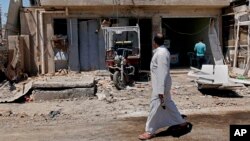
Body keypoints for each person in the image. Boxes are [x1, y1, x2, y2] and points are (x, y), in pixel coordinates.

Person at [138, 33, 189, 140]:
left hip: (160, 86)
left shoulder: (161, 54)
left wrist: (160, 90)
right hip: (161, 84)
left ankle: (149, 131)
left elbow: (162, 72)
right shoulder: (161, 52)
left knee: (154, 107)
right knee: (168, 103)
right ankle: (181, 122)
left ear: (154, 42)